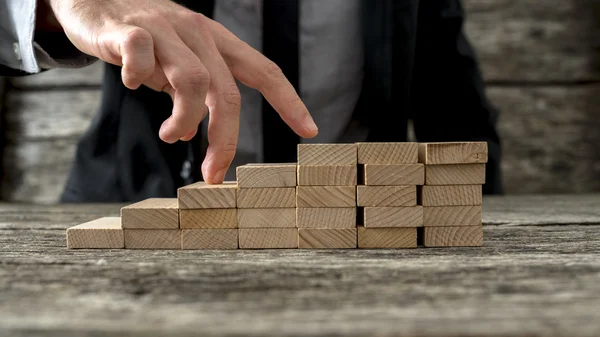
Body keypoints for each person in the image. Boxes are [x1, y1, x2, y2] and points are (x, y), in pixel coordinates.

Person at [0, 0, 503, 202]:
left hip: (356, 223)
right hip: (135, 197)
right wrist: (52, 4)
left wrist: (472, 211)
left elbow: (454, 103)